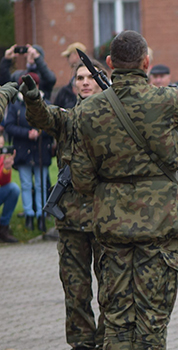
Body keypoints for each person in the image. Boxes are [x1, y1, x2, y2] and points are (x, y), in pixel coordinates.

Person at [70, 30, 178, 349]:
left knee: (117, 320)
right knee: (152, 320)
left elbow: (81, 178)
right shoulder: (165, 99)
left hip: (111, 227)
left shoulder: (87, 112)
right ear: (147, 63)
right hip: (159, 225)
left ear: (109, 64)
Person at [22, 59, 111, 349]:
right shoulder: (67, 117)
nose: (85, 82)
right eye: (80, 78)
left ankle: (109, 340)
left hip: (109, 217)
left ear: (103, 81)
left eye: (91, 77)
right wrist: (34, 97)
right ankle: (83, 343)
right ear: (73, 85)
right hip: (72, 218)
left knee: (111, 288)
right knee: (75, 289)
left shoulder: (117, 120)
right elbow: (43, 117)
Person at [5, 73, 54, 233]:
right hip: (23, 150)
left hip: (40, 151)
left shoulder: (45, 103)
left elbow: (53, 124)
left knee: (41, 184)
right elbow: (9, 125)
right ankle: (28, 214)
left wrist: (40, 132)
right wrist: (27, 133)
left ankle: (41, 215)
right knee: (26, 184)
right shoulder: (16, 106)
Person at [55, 42, 88, 109]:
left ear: (77, 55)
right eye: (80, 78)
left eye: (68, 56)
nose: (67, 59)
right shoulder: (66, 90)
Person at [0, 133, 20, 244]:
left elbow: (4, 182)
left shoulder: (4, 159)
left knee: (13, 189)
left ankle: (3, 228)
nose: (0, 147)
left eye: (2, 144)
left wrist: (6, 169)